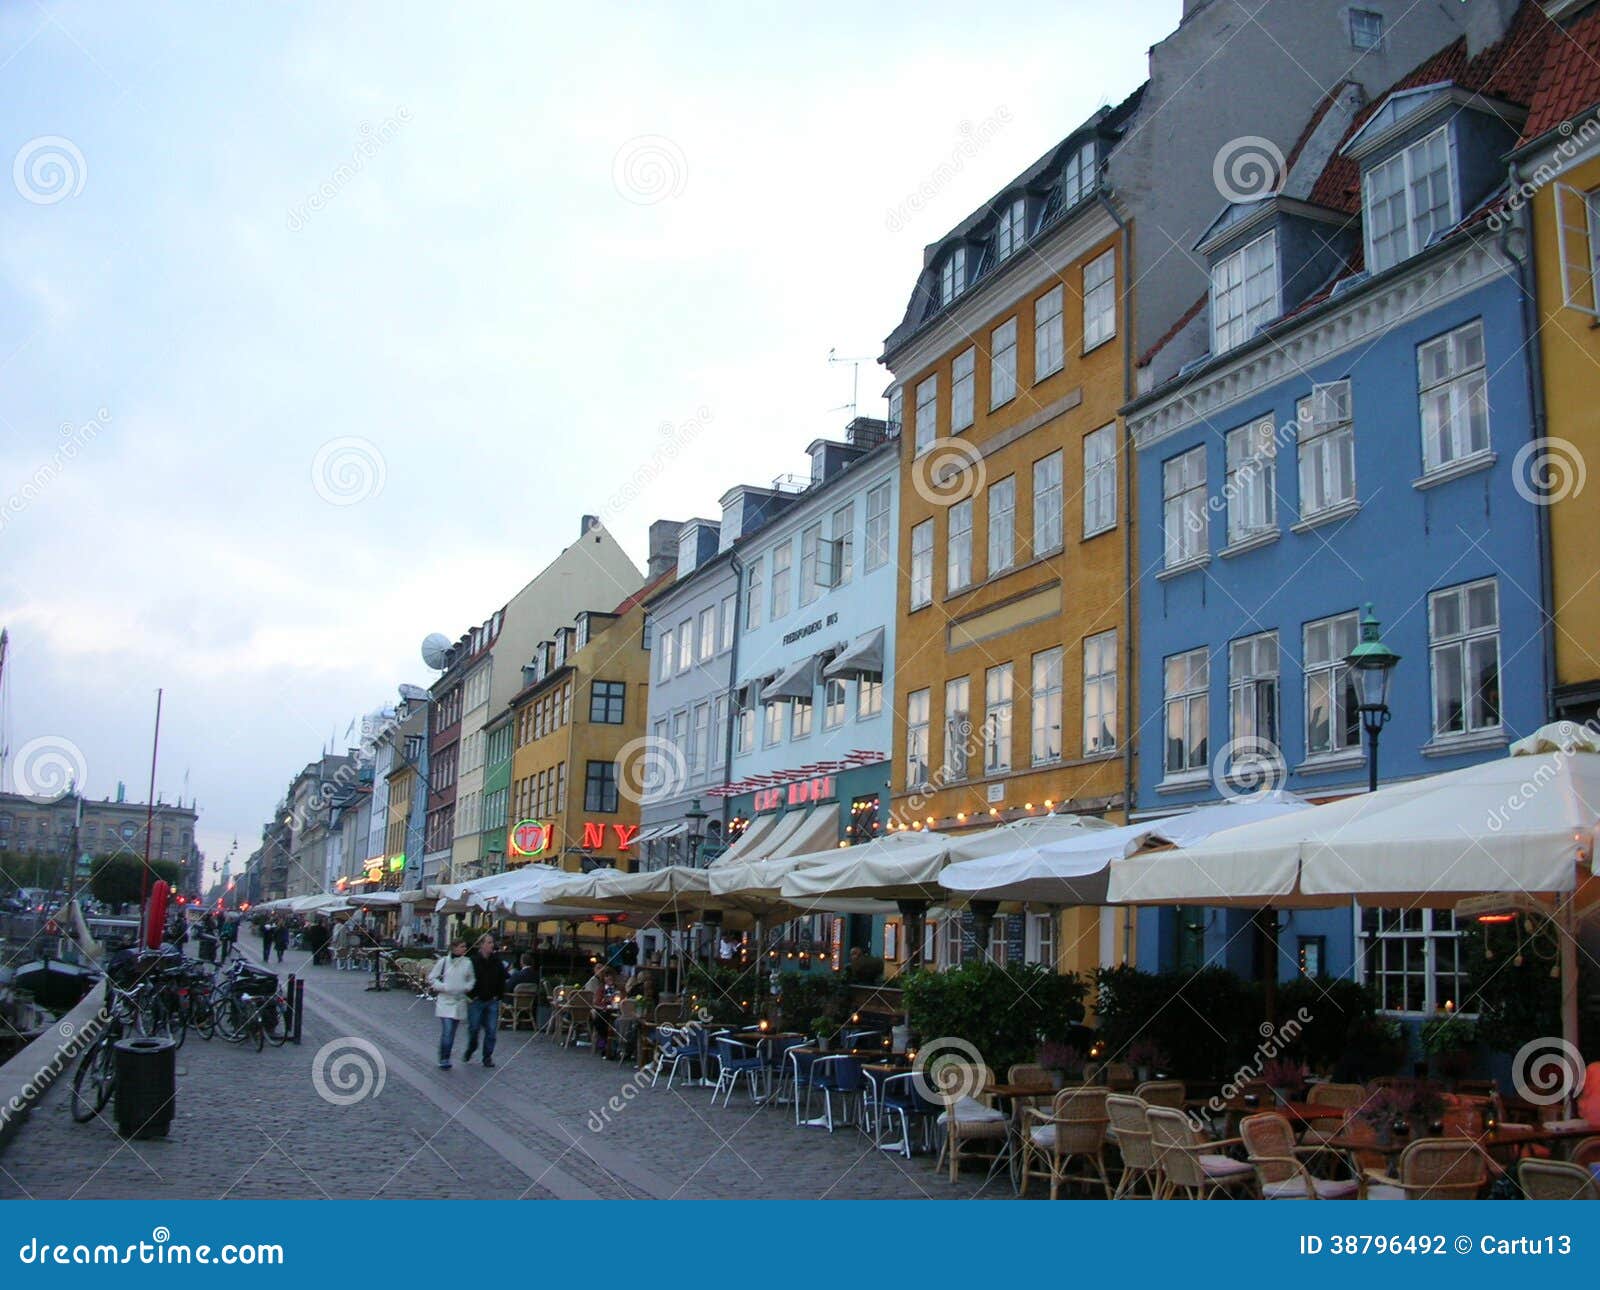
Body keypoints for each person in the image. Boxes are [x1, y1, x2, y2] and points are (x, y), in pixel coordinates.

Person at [427, 938, 475, 1069]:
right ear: (454, 948)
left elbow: (471, 979)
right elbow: (431, 978)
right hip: (445, 1001)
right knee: (447, 1031)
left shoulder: (467, 963)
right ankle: (444, 1058)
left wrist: (466, 987)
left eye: (465, 946)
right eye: (462, 946)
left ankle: (445, 1052)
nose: (464, 948)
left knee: (452, 1032)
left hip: (459, 1001)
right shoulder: (443, 962)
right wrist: (443, 987)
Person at [463, 933, 507, 1068]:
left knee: (491, 1031)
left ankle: (487, 1057)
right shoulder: (473, 961)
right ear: (481, 945)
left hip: (491, 1001)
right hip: (476, 1001)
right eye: (488, 942)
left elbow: (502, 978)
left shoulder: (497, 961)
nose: (491, 945)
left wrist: (498, 995)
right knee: (474, 1028)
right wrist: (471, 995)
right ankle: (472, 1047)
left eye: (492, 942)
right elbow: (466, 978)